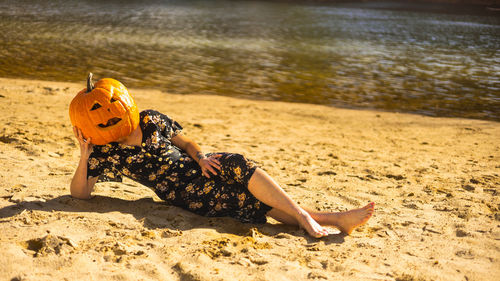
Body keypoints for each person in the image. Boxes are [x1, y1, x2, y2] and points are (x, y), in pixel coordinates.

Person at [70, 109, 374, 238]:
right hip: (186, 193)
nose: (109, 116)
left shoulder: (148, 119)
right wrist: (84, 156)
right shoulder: (105, 151)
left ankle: (311, 217)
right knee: (253, 202)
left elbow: (186, 142)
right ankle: (334, 219)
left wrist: (201, 158)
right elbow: (79, 194)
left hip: (203, 168)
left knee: (237, 162)